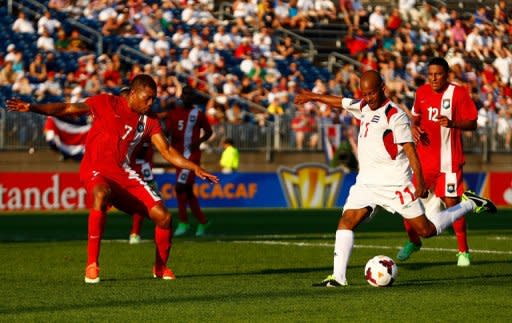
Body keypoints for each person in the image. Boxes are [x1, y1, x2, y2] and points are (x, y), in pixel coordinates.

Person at [6, 74, 218, 284]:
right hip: (94, 169)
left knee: (163, 217)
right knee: (101, 193)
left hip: (124, 174)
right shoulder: (105, 101)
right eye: (147, 98)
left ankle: (160, 268)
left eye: (153, 99)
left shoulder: (149, 121)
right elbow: (68, 109)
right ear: (133, 94)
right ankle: (92, 264)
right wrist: (32, 107)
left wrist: (194, 167)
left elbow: (167, 151)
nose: (151, 103)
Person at [293, 70, 497, 287]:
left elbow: (410, 150)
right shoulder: (363, 106)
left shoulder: (395, 115)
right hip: (367, 184)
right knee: (346, 222)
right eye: (365, 93)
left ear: (382, 88)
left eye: (371, 93)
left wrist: (419, 181)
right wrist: (313, 97)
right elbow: (340, 102)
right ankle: (338, 278)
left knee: (426, 231)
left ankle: (468, 204)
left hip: (395, 184)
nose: (368, 98)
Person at [396, 57, 479, 266]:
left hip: (449, 163)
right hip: (423, 163)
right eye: (430, 74)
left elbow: (473, 123)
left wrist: (453, 123)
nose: (433, 78)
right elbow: (415, 116)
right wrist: (414, 127)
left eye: (438, 74)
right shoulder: (421, 92)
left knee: (452, 204)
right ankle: (413, 242)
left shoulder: (458, 93)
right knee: (409, 204)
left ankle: (463, 252)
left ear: (446, 74)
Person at [164, 86, 213, 237]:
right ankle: (202, 222)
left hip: (192, 157)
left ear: (192, 98)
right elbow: (168, 132)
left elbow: (209, 131)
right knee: (187, 192)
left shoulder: (197, 114)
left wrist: (199, 142)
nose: (186, 97)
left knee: (179, 188)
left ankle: (183, 222)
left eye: (189, 95)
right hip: (179, 157)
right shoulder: (173, 113)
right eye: (184, 95)